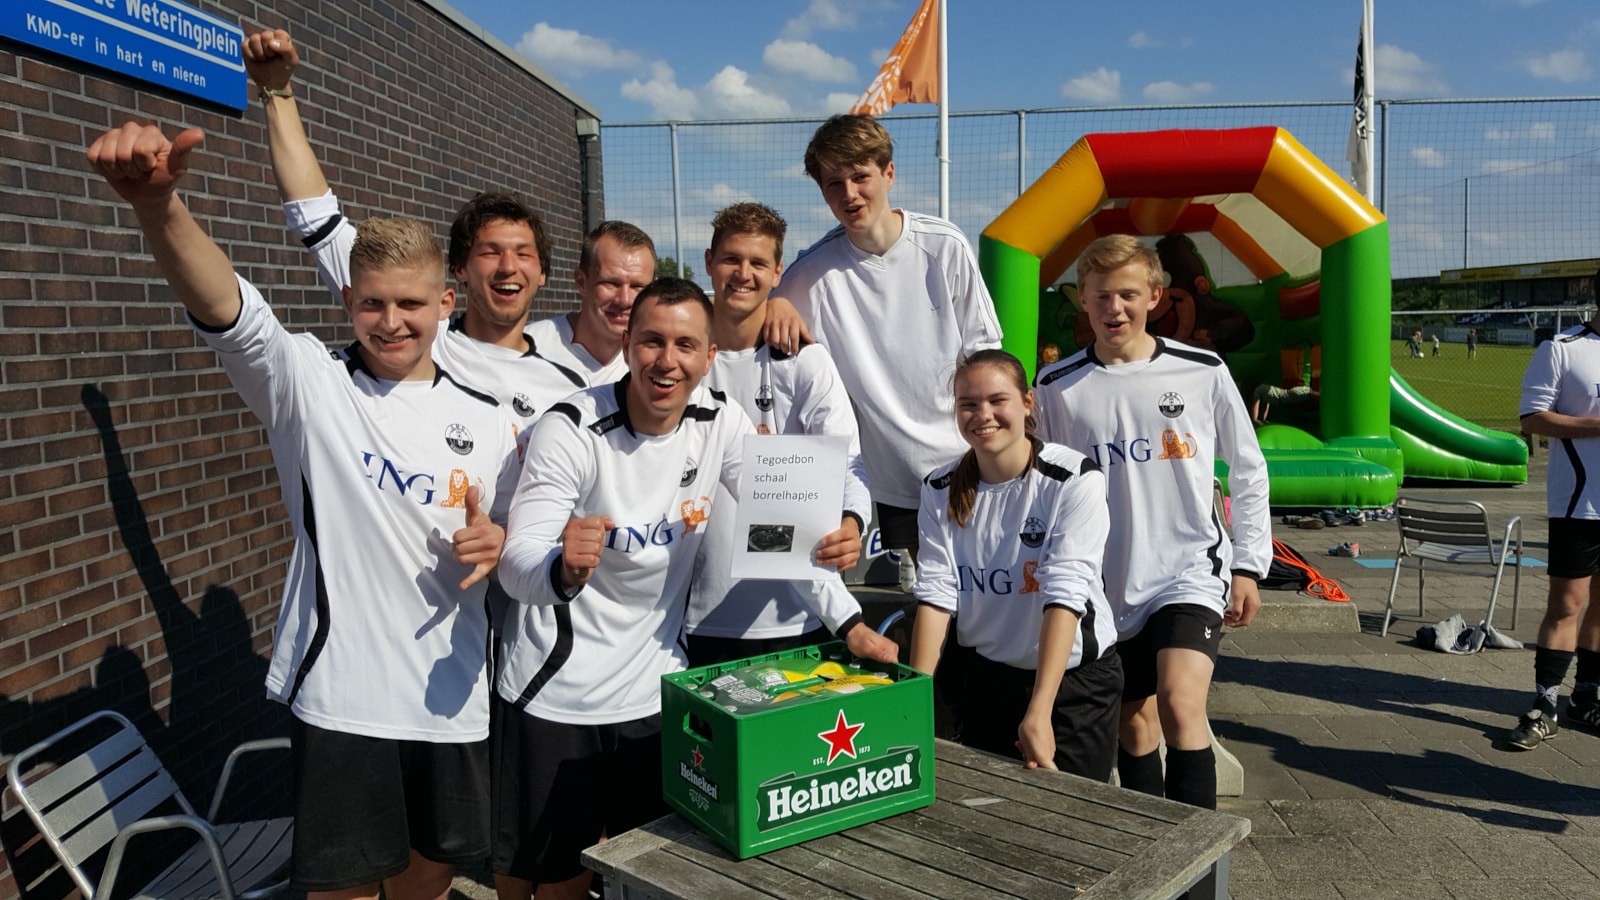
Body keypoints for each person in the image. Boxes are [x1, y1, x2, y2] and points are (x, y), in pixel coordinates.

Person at [86, 122, 520, 899]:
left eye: (411, 303)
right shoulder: (308, 383)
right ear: (349, 299)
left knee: (428, 883)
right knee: (340, 892)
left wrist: (502, 540)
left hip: (453, 699)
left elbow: (524, 546)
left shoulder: (492, 417)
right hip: (344, 698)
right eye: (373, 303)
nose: (391, 321)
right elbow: (228, 305)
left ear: (446, 303)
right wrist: (158, 207)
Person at [492, 278, 863, 900]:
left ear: (709, 356)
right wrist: (561, 568)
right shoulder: (570, 426)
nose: (667, 361)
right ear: (627, 346)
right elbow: (517, 560)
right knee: (556, 883)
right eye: (652, 342)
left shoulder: (721, 421)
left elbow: (782, 534)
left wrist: (849, 622)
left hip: (653, 694)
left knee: (647, 874)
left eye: (686, 345)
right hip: (556, 695)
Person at [243, 29, 587, 436]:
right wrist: (276, 92)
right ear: (458, 270)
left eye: (523, 253)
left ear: (543, 273)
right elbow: (315, 217)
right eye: (490, 252)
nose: (507, 266)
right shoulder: (420, 331)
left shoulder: (571, 386)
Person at [1033, 234, 1271, 810]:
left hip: (1188, 568)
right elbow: (1044, 486)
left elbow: (1248, 466)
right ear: (1082, 301)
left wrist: (1247, 563)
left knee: (1181, 706)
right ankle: (1151, 845)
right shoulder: (1057, 387)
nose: (1114, 308)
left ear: (1155, 297)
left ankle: (1204, 856)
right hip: (1106, 583)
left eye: (1128, 295)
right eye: (1101, 296)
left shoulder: (1202, 369)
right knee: (1135, 726)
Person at [772, 113, 1003, 561]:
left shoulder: (944, 245)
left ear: (889, 173)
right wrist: (772, 304)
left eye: (860, 176)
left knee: (994, 586)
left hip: (968, 460)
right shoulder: (809, 274)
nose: (849, 194)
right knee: (933, 594)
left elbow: (986, 354)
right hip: (895, 478)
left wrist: (998, 447)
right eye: (834, 183)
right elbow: (742, 322)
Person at [687, 202, 898, 666]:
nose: (743, 274)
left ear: (778, 272)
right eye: (731, 259)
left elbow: (847, 460)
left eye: (758, 263)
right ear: (709, 262)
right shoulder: (680, 359)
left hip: (800, 611)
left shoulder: (805, 359)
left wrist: (852, 522)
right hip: (691, 615)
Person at [910, 350, 1123, 779]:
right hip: (987, 681)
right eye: (968, 404)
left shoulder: (1073, 478)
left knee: (1074, 812)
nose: (982, 415)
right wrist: (912, 701)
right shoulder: (938, 487)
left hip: (1072, 685)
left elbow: (1064, 595)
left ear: (1027, 403)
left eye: (997, 400)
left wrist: (1039, 711)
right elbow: (936, 596)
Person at [1508, 314, 1600, 749]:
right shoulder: (1561, 348)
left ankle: (1586, 698)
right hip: (1579, 504)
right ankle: (1545, 706)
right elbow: (1532, 419)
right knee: (1566, 604)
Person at [525, 220, 657, 386]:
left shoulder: (658, 365)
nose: (625, 300)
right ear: (582, 282)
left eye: (637, 286)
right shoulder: (526, 351)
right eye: (611, 283)